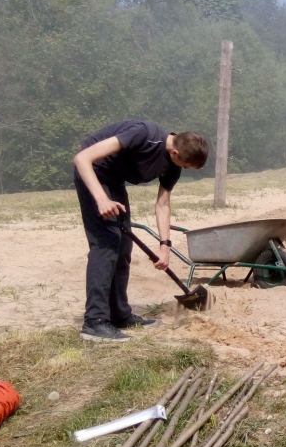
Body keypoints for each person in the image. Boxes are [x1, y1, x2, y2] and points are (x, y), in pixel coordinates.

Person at [73, 121, 209, 343]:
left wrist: (165, 246)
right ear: (176, 152)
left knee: (123, 245)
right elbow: (82, 158)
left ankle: (118, 315)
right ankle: (94, 322)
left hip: (113, 179)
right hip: (93, 172)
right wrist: (101, 199)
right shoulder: (142, 135)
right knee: (107, 244)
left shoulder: (172, 164)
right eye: (184, 166)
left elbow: (163, 205)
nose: (182, 169)